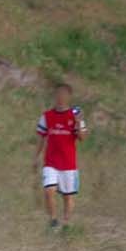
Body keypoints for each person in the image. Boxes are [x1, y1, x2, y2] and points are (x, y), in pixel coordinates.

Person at [34, 83, 88, 230]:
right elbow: (41, 138)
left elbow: (83, 138)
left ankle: (66, 223)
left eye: (63, 94)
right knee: (48, 190)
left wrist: (78, 123)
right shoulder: (47, 116)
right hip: (51, 162)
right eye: (58, 94)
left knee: (68, 196)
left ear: (69, 97)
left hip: (68, 163)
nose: (60, 97)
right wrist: (36, 156)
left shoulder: (75, 116)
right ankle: (52, 220)